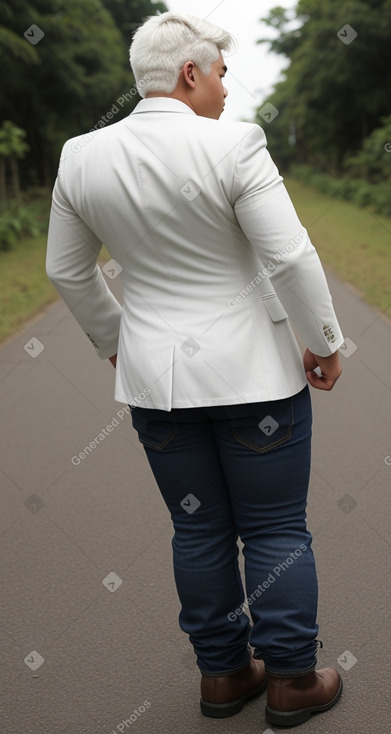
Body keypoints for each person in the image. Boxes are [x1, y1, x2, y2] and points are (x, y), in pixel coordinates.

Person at [46, 11, 344, 728]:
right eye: (219, 74)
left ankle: (224, 675)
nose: (226, 90)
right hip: (258, 383)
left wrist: (119, 343)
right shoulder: (234, 144)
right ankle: (293, 682)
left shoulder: (80, 156)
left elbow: (66, 269)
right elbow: (290, 256)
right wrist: (324, 341)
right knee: (275, 529)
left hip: (157, 388)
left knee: (198, 532)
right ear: (189, 73)